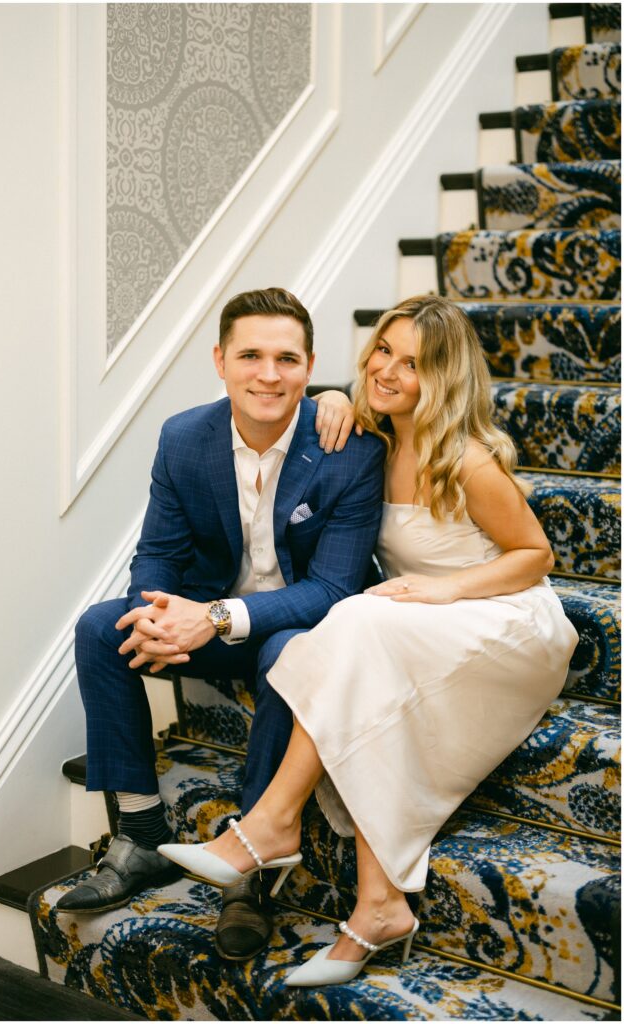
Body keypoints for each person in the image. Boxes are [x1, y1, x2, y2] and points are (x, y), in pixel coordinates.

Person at [159, 294, 579, 986]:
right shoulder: (367, 439)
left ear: (443, 378)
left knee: (351, 622)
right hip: (413, 622)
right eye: (383, 349)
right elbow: (316, 412)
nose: (386, 368)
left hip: (505, 620)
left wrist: (442, 589)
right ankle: (378, 906)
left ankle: (270, 826)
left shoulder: (465, 459)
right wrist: (329, 397)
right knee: (345, 657)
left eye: (412, 364)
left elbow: (533, 555)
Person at [57, 287, 385, 963]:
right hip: (207, 621)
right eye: (251, 356)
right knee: (99, 627)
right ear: (219, 361)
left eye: (287, 359)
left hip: (292, 627)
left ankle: (251, 873)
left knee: (288, 653)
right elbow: (159, 551)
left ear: (310, 365)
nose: (268, 374)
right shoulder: (184, 437)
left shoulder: (350, 450)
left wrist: (214, 618)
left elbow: (332, 588)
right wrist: (156, 615)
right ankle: (142, 834)